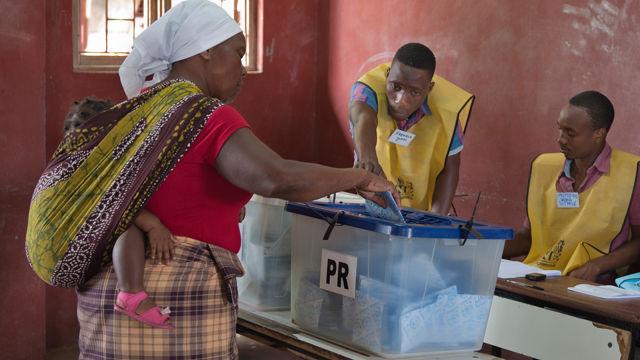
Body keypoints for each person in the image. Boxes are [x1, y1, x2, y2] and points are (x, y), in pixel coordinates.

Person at [25, 0, 399, 358]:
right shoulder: (205, 114)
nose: (243, 67)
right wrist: (357, 177)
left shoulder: (137, 110)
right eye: (237, 52)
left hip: (107, 300)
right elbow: (276, 178)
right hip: (175, 295)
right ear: (204, 50)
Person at [63, 97, 180, 329]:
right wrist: (154, 225)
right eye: (69, 127)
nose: (74, 133)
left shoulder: (106, 159)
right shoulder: (80, 164)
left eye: (84, 125)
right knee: (128, 223)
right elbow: (114, 202)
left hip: (91, 234)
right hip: (84, 230)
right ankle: (132, 295)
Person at [503, 91, 640, 284]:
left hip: (593, 287)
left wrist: (597, 266)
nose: (561, 139)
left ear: (599, 133)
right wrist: (488, 249)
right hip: (539, 277)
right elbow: (529, 238)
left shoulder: (630, 172)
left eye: (570, 133)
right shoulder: (544, 167)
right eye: (559, 129)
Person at [348, 43, 474, 214]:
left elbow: (450, 169)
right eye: (396, 87)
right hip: (372, 201)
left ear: (429, 89)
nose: (401, 100)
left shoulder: (448, 114)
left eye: (414, 92)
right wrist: (367, 159)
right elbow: (362, 117)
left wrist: (436, 221)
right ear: (387, 75)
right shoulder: (368, 89)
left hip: (421, 210)